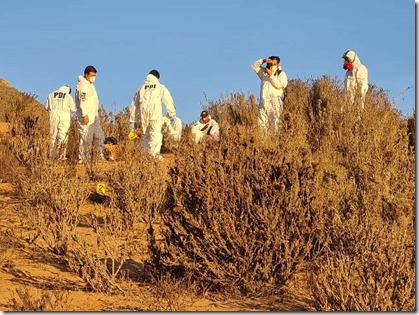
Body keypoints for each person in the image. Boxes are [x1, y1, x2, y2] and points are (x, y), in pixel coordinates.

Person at [129, 69, 177, 158]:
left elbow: (133, 107)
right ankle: (154, 156)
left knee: (146, 136)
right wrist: (172, 115)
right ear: (157, 78)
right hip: (155, 115)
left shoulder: (140, 88)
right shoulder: (160, 87)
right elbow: (168, 101)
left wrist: (132, 124)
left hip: (144, 117)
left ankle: (144, 156)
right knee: (155, 134)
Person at [75, 65, 106, 163]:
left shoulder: (90, 85)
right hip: (86, 115)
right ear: (86, 74)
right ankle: (84, 159)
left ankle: (100, 156)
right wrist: (84, 114)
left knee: (99, 136)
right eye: (92, 75)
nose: (94, 77)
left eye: (95, 75)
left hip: (94, 116)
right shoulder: (83, 85)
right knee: (86, 137)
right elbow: (82, 100)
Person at [252, 56, 288, 131]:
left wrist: (271, 75)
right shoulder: (264, 73)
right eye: (270, 63)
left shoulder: (281, 73)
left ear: (277, 64)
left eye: (273, 63)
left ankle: (276, 140)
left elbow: (280, 85)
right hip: (263, 101)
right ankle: (264, 141)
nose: (271, 65)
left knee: (275, 123)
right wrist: (264, 60)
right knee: (261, 124)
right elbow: (254, 65)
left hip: (274, 101)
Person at [44, 85, 76, 160]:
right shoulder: (68, 96)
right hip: (64, 115)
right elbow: (73, 108)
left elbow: (46, 107)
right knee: (63, 136)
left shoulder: (51, 94)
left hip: (53, 114)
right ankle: (61, 155)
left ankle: (52, 155)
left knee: (53, 135)